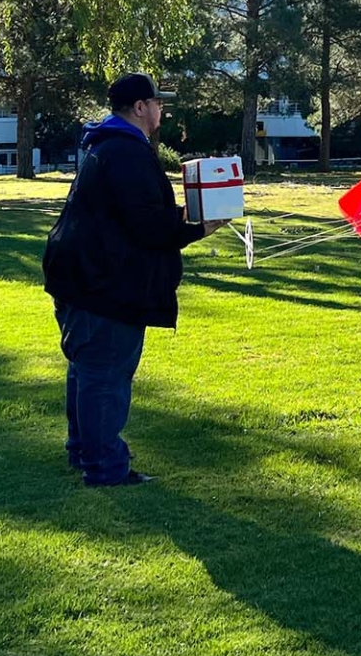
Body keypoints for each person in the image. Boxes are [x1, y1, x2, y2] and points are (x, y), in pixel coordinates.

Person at [41, 73, 224, 487]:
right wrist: (200, 226)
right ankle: (104, 467)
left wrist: (184, 219)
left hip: (80, 273)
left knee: (87, 369)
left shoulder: (106, 145)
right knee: (105, 374)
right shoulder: (126, 152)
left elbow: (132, 216)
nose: (162, 110)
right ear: (140, 107)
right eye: (157, 103)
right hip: (103, 281)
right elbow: (148, 226)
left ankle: (84, 453)